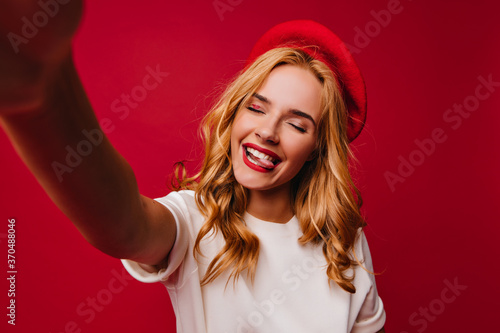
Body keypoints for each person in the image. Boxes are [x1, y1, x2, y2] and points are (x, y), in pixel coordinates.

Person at [0, 1, 386, 332]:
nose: (267, 131)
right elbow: (124, 225)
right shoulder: (195, 221)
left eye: (297, 124)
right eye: (256, 107)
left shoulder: (344, 242)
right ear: (234, 114)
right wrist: (39, 95)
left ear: (317, 147)